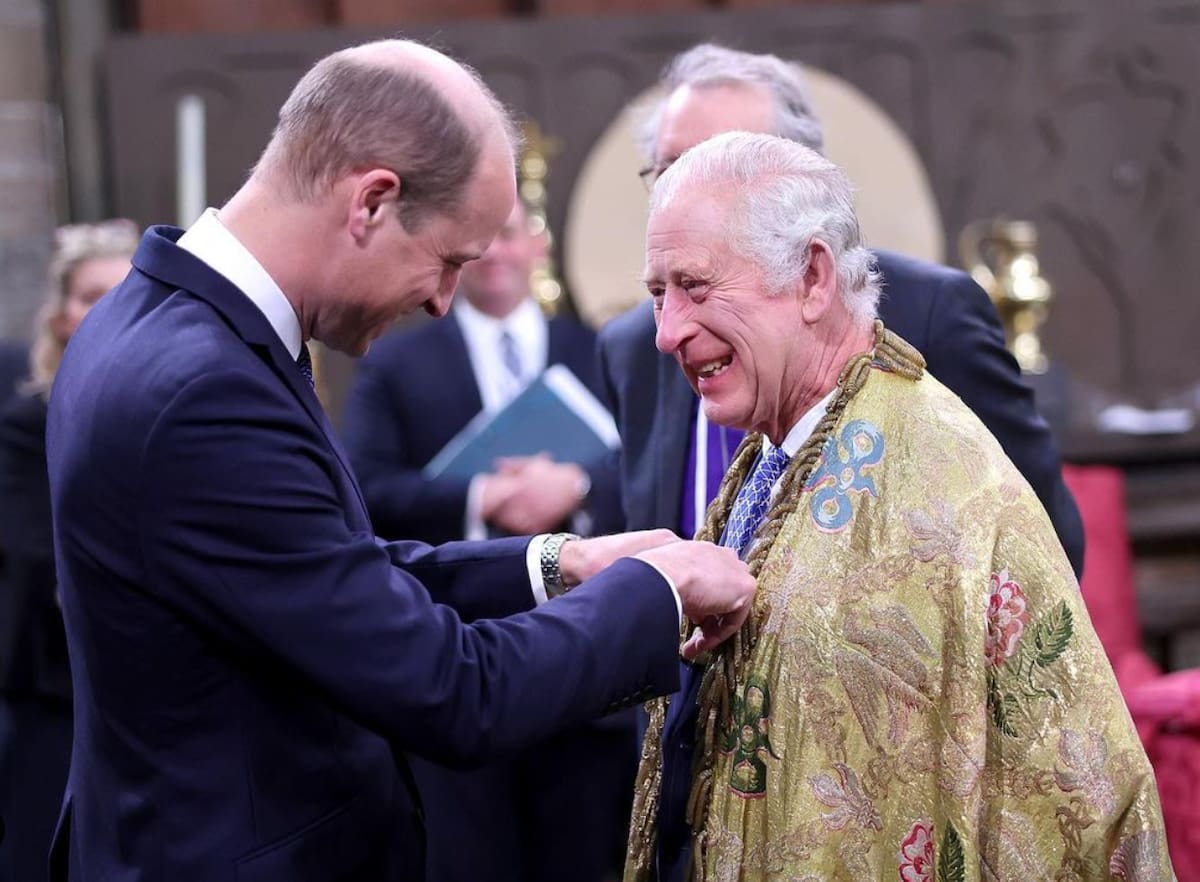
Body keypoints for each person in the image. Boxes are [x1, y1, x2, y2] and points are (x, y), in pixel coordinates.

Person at [44, 39, 757, 882]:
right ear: (373, 203)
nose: (442, 301)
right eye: (448, 260)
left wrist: (560, 564)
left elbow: (328, 573)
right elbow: (454, 692)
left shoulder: (154, 321)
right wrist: (655, 591)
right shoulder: (203, 391)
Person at [622, 131, 1170, 881]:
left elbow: (1069, 800)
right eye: (658, 294)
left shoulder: (939, 476)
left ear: (813, 277)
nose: (667, 333)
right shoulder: (772, 451)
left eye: (696, 286)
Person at [597, 44, 1084, 578]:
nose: (690, 192)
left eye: (729, 166)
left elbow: (1039, 548)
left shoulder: (933, 315)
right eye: (671, 170)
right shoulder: (633, 347)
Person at [343, 197, 632, 882]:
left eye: (509, 235)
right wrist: (484, 497)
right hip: (456, 654)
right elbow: (365, 489)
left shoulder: (601, 349)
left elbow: (650, 465)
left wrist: (576, 486)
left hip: (586, 665)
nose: (495, 253)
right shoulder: (395, 361)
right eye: (480, 239)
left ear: (537, 245)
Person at [0, 220, 137, 882]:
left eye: (125, 293)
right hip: (59, 688)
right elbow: (35, 550)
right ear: (60, 319)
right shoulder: (31, 421)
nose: (109, 310)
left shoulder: (165, 407)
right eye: (91, 296)